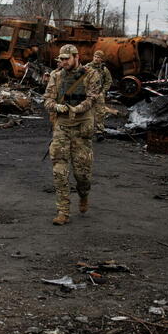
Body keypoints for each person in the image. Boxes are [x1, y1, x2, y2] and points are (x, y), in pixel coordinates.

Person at [43, 44, 101, 225]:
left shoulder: (91, 74)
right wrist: (56, 107)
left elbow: (92, 98)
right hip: (62, 127)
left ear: (77, 57)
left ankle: (84, 194)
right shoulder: (56, 75)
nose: (63, 62)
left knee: (82, 174)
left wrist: (76, 109)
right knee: (59, 170)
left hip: (82, 127)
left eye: (66, 58)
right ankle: (63, 211)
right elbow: (47, 99)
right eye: (61, 59)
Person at [87, 50, 113, 135]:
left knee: (100, 112)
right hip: (88, 93)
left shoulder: (104, 69)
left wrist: (103, 91)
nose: (96, 59)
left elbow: (108, 81)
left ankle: (99, 130)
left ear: (101, 59)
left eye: (98, 57)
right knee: (86, 111)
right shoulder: (87, 67)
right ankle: (87, 129)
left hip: (99, 93)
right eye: (95, 56)